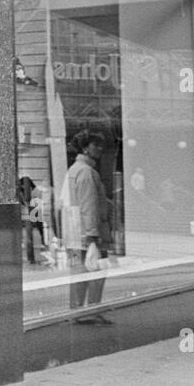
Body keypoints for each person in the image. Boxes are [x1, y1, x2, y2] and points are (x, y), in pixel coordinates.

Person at [59, 129, 111, 323]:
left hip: (75, 232)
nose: (99, 148)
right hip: (89, 233)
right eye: (95, 144)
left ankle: (77, 312)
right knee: (97, 272)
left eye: (100, 145)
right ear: (85, 148)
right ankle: (92, 311)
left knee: (79, 273)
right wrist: (93, 235)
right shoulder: (87, 172)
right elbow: (88, 205)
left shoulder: (74, 169)